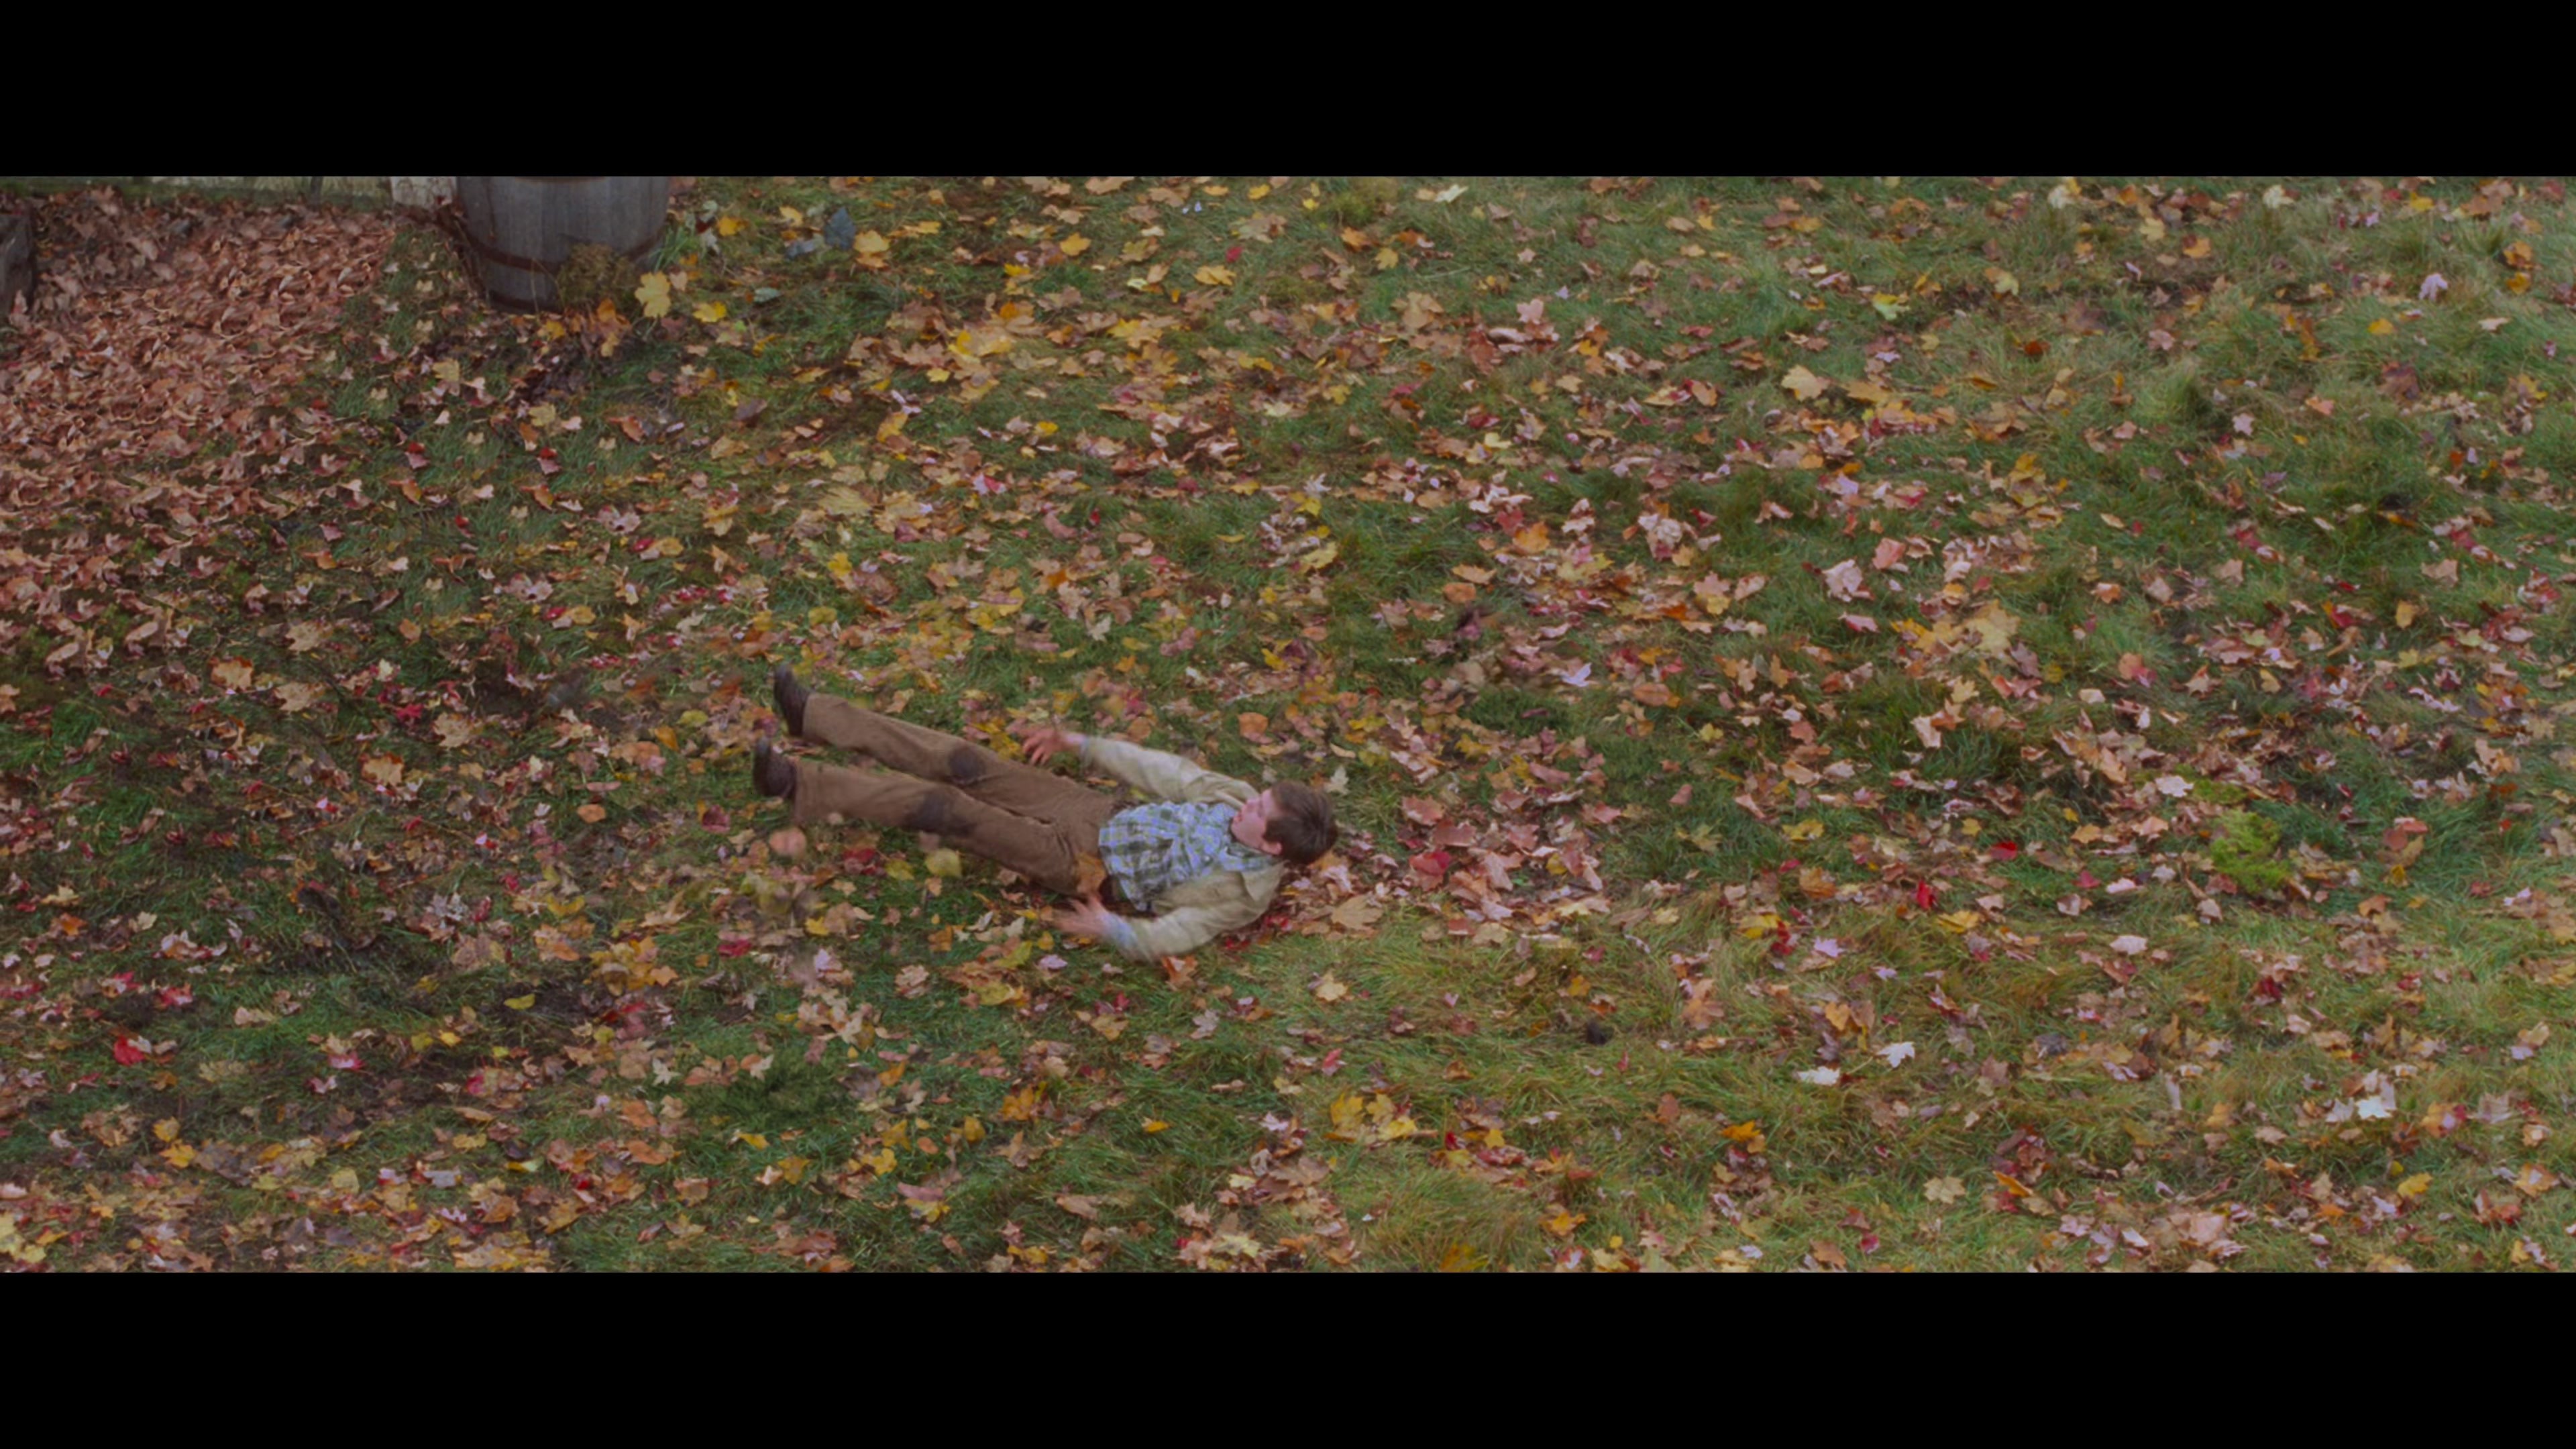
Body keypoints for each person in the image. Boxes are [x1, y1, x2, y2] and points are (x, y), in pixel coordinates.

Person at [751, 665, 1336, 961]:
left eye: (1260, 810)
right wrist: (1082, 744)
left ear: (1272, 846)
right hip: (1097, 811)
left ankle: (798, 784)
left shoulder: (1240, 894)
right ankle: (815, 715)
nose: (1250, 800)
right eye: (1261, 795)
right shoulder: (1233, 797)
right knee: (965, 762)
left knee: (946, 809)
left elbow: (1182, 932)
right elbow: (1162, 771)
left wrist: (1116, 932)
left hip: (1083, 866)